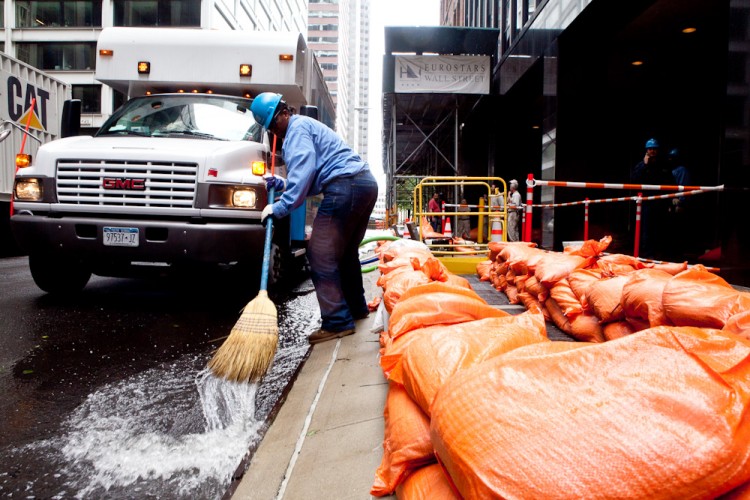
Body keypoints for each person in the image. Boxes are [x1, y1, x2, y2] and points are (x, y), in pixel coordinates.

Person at [250, 92, 378, 344]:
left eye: (275, 124)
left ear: (285, 113)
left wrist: (278, 207)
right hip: (363, 184)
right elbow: (309, 178)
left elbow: (305, 171)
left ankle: (337, 321)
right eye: (271, 129)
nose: (276, 132)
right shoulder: (305, 127)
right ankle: (356, 308)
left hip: (346, 186)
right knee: (346, 252)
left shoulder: (296, 131)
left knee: (319, 253)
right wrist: (285, 183)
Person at [630, 138, 675, 259]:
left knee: (661, 228)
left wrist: (672, 200)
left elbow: (671, 182)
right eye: (650, 149)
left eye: (655, 149)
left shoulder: (664, 165)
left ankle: (661, 255)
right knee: (647, 230)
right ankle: (647, 255)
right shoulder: (641, 165)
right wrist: (644, 165)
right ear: (647, 150)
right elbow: (634, 180)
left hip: (661, 202)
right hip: (647, 203)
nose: (653, 151)